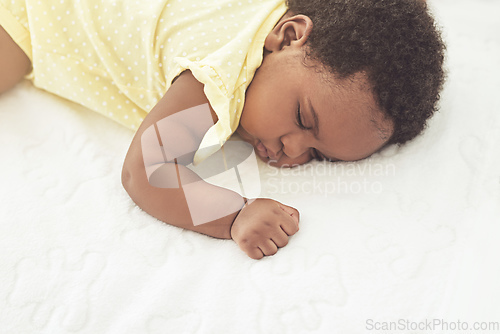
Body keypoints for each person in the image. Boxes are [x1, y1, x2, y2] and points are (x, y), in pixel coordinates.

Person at [0, 0, 445, 259]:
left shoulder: (263, 21)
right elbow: (147, 171)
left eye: (318, 154)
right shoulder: (220, 78)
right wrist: (235, 214)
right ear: (289, 36)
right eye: (304, 120)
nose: (291, 151)